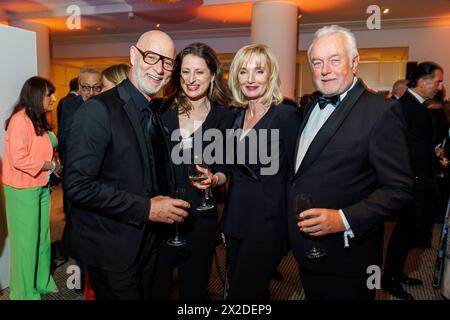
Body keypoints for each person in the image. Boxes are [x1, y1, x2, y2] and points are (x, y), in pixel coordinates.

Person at [61, 30, 190, 300]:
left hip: (148, 243)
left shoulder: (152, 111)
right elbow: (78, 186)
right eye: (152, 57)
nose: (160, 69)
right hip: (112, 248)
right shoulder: (98, 110)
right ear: (133, 55)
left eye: (167, 62)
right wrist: (147, 208)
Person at [288, 25, 413, 300]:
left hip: (347, 256)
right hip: (309, 249)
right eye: (317, 62)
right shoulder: (311, 106)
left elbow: (400, 188)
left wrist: (343, 219)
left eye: (335, 60)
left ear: (354, 62)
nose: (324, 70)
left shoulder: (381, 111)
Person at [151, 42, 234, 300]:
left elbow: (225, 168)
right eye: (185, 72)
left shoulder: (225, 117)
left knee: (195, 287)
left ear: (212, 75)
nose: (191, 79)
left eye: (199, 72)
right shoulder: (160, 111)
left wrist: (214, 178)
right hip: (162, 213)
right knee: (157, 284)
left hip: (201, 214)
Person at [220, 44, 301, 299]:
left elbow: (298, 174)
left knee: (243, 293)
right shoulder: (236, 115)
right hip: (236, 218)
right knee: (244, 287)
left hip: (269, 222)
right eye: (244, 71)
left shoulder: (286, 115)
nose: (251, 79)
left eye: (259, 71)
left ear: (271, 75)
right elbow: (234, 171)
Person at [382, 62, 444, 300]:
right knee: (403, 234)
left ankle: (396, 273)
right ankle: (390, 279)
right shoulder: (407, 107)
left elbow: (419, 146)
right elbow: (405, 151)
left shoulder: (416, 105)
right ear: (423, 81)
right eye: (437, 81)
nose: (440, 86)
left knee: (406, 234)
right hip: (411, 183)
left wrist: (433, 154)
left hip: (415, 181)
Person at [2, 76, 62, 299]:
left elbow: (47, 146)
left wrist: (55, 161)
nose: (54, 98)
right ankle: (22, 293)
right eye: (49, 94)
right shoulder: (19, 120)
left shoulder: (37, 119)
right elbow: (18, 159)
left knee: (42, 237)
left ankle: (41, 281)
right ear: (37, 96)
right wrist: (49, 165)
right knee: (26, 242)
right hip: (21, 188)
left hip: (40, 185)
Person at [57, 67, 102, 166]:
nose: (91, 93)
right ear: (79, 87)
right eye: (86, 87)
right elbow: (64, 137)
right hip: (76, 163)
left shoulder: (107, 105)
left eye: (96, 87)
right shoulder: (69, 105)